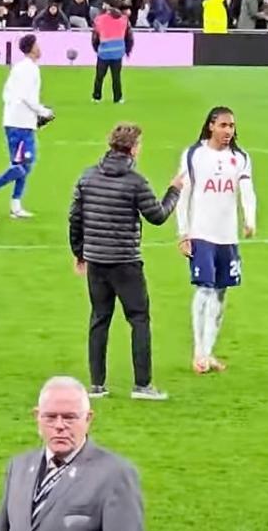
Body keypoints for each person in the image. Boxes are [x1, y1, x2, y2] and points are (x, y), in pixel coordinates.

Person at [68, 123, 182, 400]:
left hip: (96, 260)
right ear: (133, 148)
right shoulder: (135, 182)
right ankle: (142, 385)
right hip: (125, 262)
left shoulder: (87, 177)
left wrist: (79, 252)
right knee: (139, 319)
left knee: (99, 319)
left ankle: (96, 385)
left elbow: (75, 218)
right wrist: (174, 191)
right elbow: (157, 215)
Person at [0, 376, 144, 531]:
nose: (59, 426)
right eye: (50, 417)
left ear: (88, 419)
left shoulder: (115, 476)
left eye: (69, 417)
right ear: (37, 417)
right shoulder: (19, 467)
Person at [175, 107, 257, 374]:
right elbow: (183, 195)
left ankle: (208, 352)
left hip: (227, 235)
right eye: (223, 125)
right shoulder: (194, 155)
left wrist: (250, 218)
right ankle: (198, 353)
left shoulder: (240, 157)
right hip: (202, 233)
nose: (228, 131)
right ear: (211, 126)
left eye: (231, 126)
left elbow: (247, 190)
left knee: (221, 292)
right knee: (204, 289)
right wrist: (183, 233)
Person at [0, 34, 54, 219]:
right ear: (31, 48)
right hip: (21, 124)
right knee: (25, 164)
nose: (40, 48)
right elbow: (26, 97)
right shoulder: (30, 69)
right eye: (37, 45)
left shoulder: (18, 68)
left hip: (16, 120)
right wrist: (43, 111)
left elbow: (7, 93)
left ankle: (16, 205)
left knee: (22, 164)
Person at [91, 0, 134, 104]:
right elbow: (129, 36)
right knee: (116, 77)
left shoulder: (100, 19)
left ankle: (97, 97)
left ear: (108, 5)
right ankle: (118, 98)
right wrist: (127, 50)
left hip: (104, 52)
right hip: (118, 51)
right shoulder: (124, 19)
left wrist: (96, 49)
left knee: (99, 76)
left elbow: (95, 36)